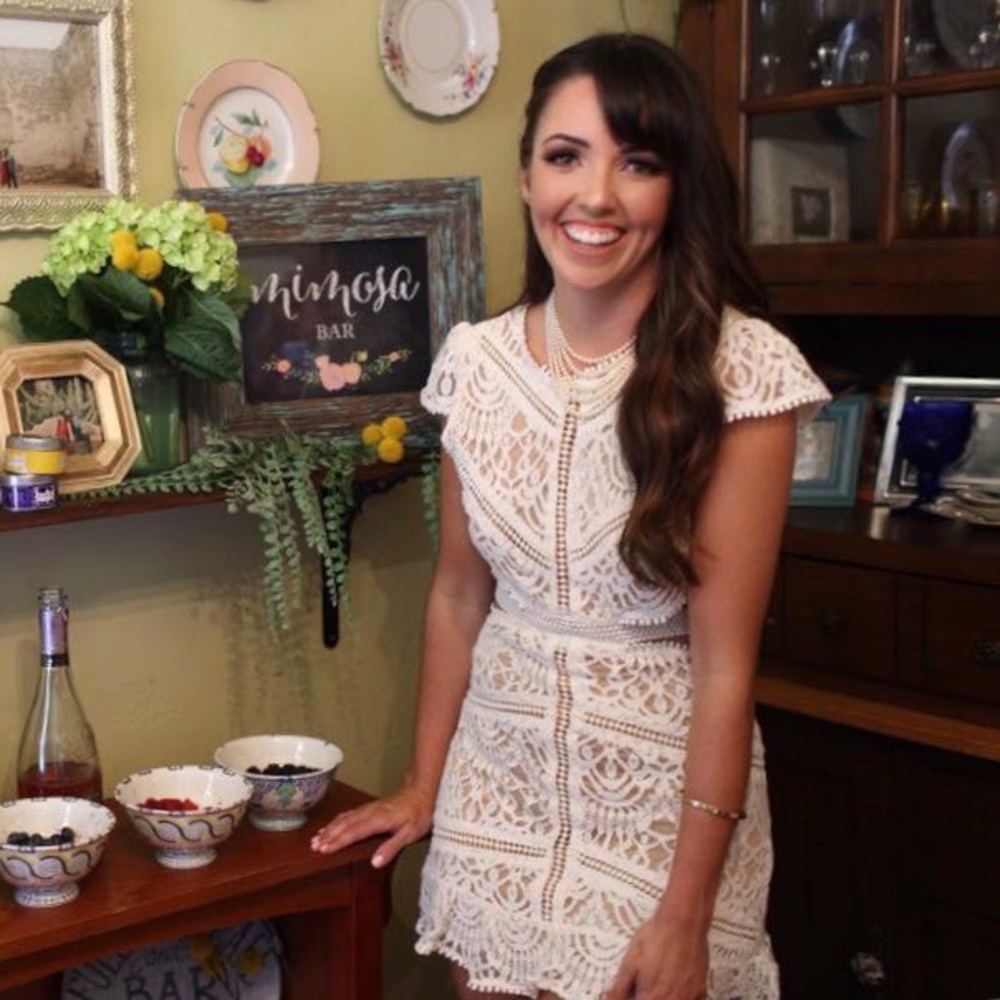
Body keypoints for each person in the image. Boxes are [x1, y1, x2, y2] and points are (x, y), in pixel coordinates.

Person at [312, 32, 830, 1000]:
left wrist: (682, 914)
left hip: (660, 820)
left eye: (635, 163)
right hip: (495, 794)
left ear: (676, 189)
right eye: (565, 156)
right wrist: (426, 786)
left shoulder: (741, 370)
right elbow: (461, 596)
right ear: (524, 175)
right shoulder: (474, 363)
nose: (593, 196)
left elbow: (725, 668)